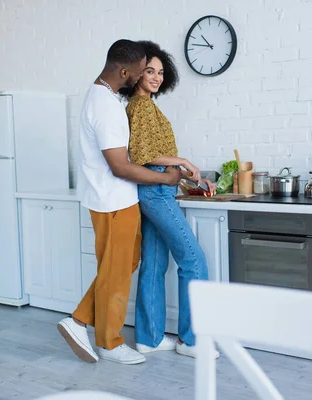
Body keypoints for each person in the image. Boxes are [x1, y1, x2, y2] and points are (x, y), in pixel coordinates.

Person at [57, 39, 182, 365]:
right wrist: (166, 178)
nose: (143, 77)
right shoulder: (107, 107)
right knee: (116, 269)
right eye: (141, 71)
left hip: (110, 198)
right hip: (112, 199)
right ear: (124, 71)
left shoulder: (102, 97)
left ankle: (80, 320)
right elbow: (121, 165)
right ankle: (109, 343)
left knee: (120, 266)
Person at [120, 40, 219, 358]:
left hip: (155, 190)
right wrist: (185, 163)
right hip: (156, 192)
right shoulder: (140, 105)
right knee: (194, 261)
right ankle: (192, 341)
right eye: (150, 70)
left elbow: (153, 156)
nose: (156, 77)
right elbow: (143, 154)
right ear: (136, 73)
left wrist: (188, 174)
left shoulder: (145, 106)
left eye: (161, 72)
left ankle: (148, 338)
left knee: (155, 263)